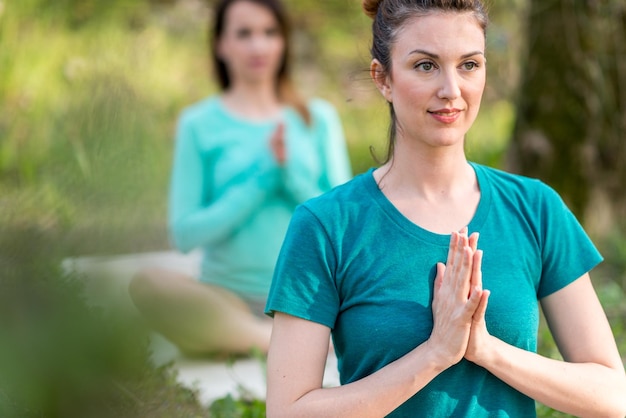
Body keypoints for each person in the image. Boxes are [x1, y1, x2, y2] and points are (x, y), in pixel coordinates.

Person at [264, 0, 626, 416]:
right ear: (383, 78)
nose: (451, 90)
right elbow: (287, 411)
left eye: (469, 65)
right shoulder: (327, 225)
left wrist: (486, 350)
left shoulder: (536, 208)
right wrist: (435, 353)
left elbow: (612, 396)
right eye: (425, 66)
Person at [128, 0, 352, 357]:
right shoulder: (198, 124)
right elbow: (185, 234)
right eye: (244, 34)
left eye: (269, 33)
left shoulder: (317, 118)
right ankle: (272, 343)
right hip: (226, 299)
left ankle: (240, 340)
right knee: (147, 284)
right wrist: (261, 178)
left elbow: (345, 225)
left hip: (308, 300)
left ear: (284, 42)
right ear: (221, 44)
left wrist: (289, 175)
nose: (258, 46)